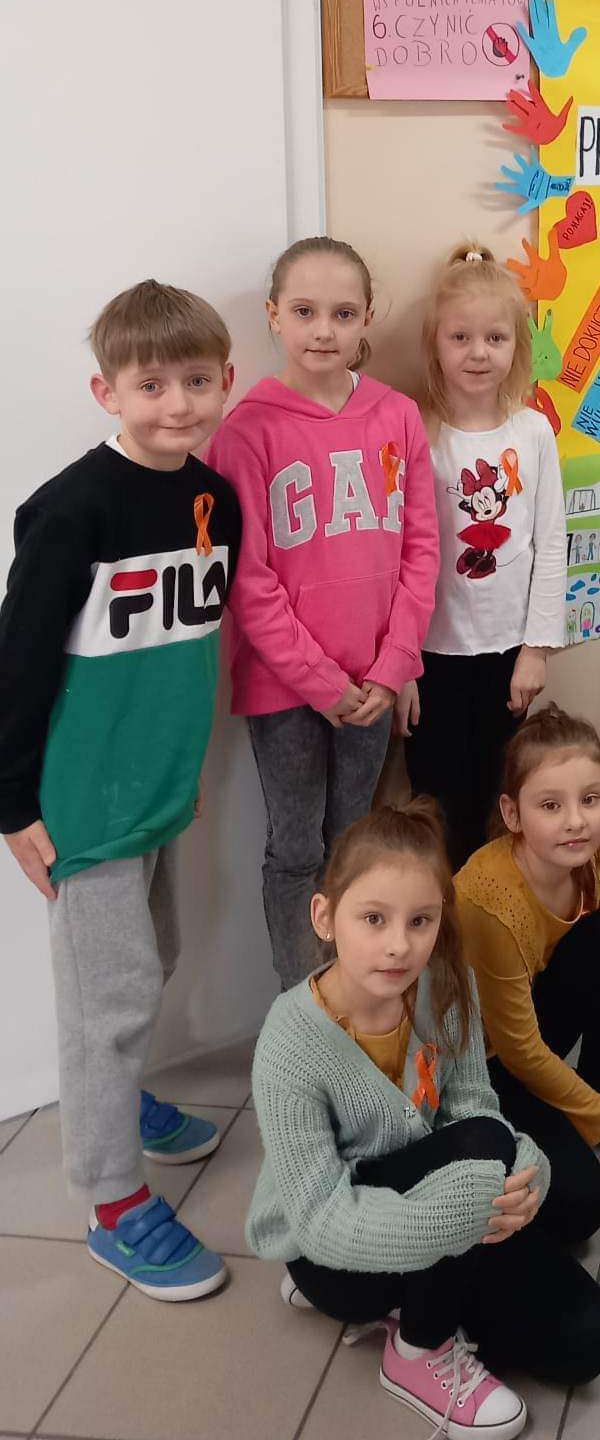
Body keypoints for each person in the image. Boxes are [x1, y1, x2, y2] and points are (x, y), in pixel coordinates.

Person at [0, 282, 241, 1299]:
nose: (177, 403)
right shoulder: (70, 511)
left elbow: (191, 649)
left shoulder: (217, 498)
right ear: (108, 392)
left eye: (196, 380)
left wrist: (180, 772)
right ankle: (109, 1201)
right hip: (86, 804)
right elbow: (18, 664)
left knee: (157, 957)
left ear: (226, 381)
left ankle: (119, 1096)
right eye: (151, 385)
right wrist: (14, 805)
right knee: (110, 1001)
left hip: (161, 789)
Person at [248, 801, 600, 1432]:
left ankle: (445, 1280)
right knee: (487, 1168)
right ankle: (418, 1349)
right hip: (331, 1254)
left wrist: (524, 1171)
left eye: (420, 920)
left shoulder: (445, 981)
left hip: (434, 1191)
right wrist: (458, 1217)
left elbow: (474, 1107)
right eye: (373, 919)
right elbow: (321, 1218)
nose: (400, 945)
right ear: (325, 917)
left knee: (589, 1338)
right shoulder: (289, 1043)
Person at [205, 236, 438, 989]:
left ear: (367, 317)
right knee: (296, 850)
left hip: (373, 685)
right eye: (304, 312)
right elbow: (247, 580)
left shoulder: (397, 415)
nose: (323, 331)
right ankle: (303, 1014)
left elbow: (421, 548)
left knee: (355, 843)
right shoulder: (246, 431)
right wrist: (320, 683)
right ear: (274, 315)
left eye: (342, 313)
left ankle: (357, 995)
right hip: (286, 691)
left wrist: (395, 664)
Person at [456, 706, 600, 1230]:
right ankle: (577, 1121)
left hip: (532, 1030)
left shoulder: (594, 861)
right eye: (550, 805)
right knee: (583, 1207)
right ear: (512, 814)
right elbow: (518, 1052)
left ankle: (599, 1096)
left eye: (590, 799)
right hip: (480, 1066)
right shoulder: (489, 901)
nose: (576, 821)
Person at [397, 242, 566, 870]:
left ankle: (492, 915)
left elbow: (551, 542)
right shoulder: (416, 430)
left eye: (495, 338)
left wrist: (536, 649)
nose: (478, 352)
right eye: (461, 337)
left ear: (516, 346)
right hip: (432, 655)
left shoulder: (533, 431)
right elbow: (398, 553)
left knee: (500, 803)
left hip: (508, 655)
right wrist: (402, 664)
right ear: (435, 344)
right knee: (437, 806)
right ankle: (439, 920)